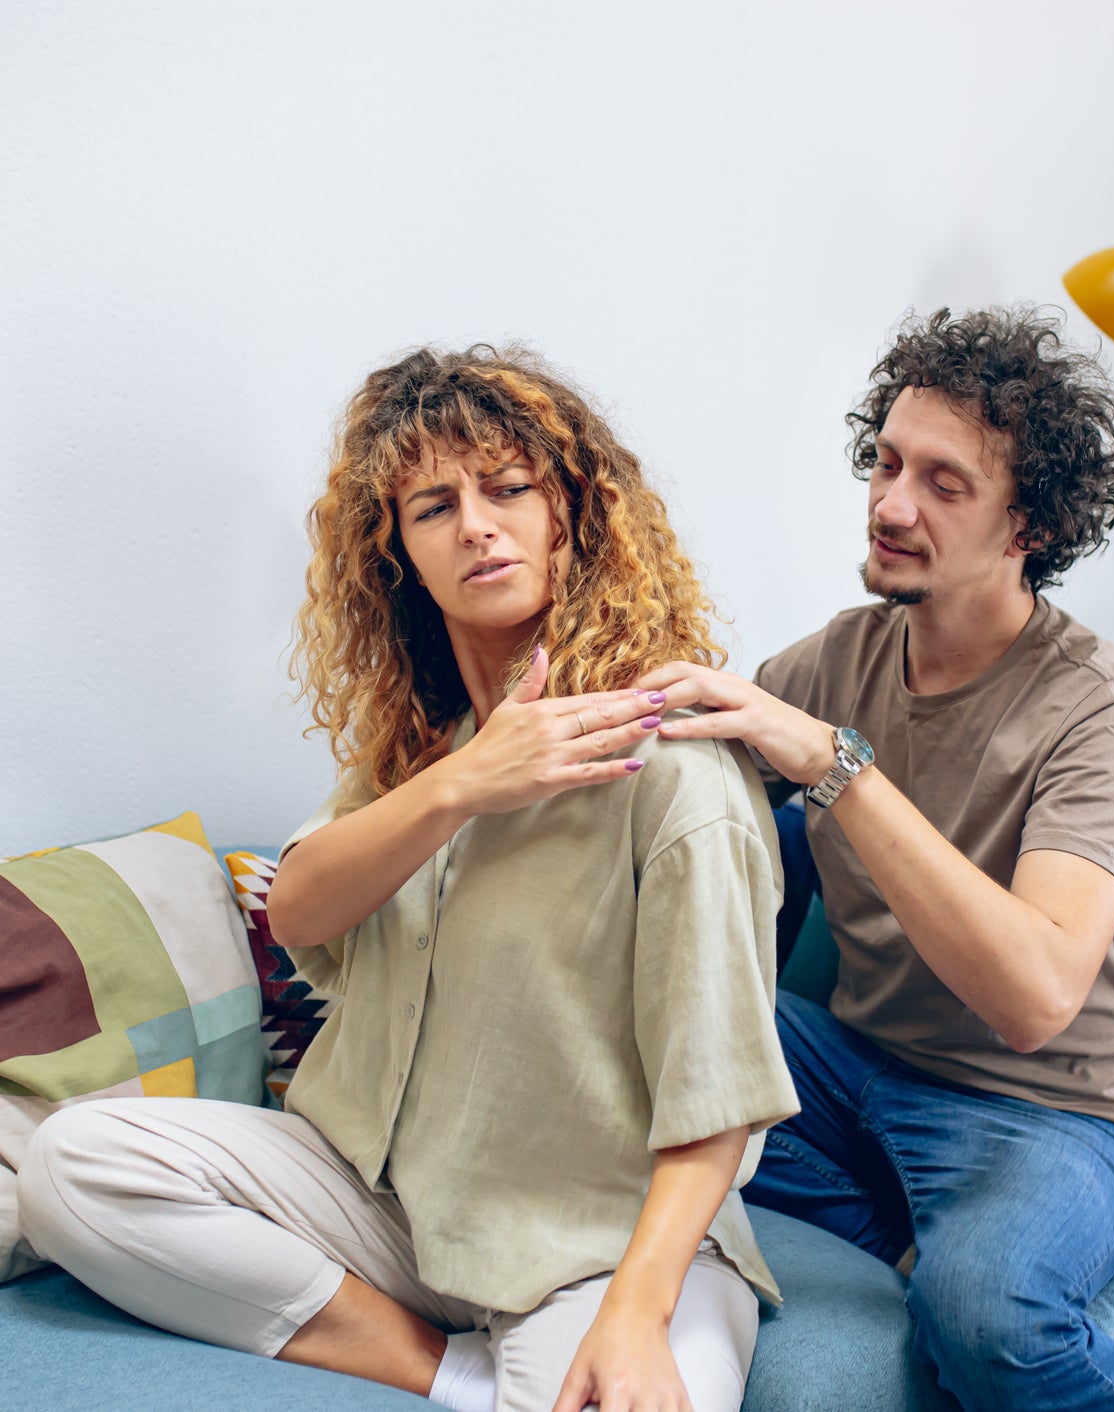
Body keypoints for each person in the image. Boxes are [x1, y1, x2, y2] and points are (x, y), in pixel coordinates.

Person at [18, 346, 799, 1412]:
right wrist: (463, 784)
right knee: (74, 1164)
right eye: (434, 506)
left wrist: (634, 1311)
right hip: (373, 1196)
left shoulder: (675, 772)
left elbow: (721, 1099)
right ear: (402, 560)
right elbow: (297, 906)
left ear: (573, 515)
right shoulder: (421, 756)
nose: (476, 523)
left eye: (509, 487)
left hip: (591, 1239)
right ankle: (446, 1371)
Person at [636, 307, 1114, 1412]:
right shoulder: (843, 654)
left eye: (944, 483)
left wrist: (834, 766)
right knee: (622, 1035)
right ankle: (904, 1226)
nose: (892, 504)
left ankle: (941, 1244)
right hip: (858, 1067)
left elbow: (1034, 996)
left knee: (988, 1317)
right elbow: (673, 789)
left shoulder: (1100, 709)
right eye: (887, 462)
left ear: (1025, 523)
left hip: (1060, 1107)